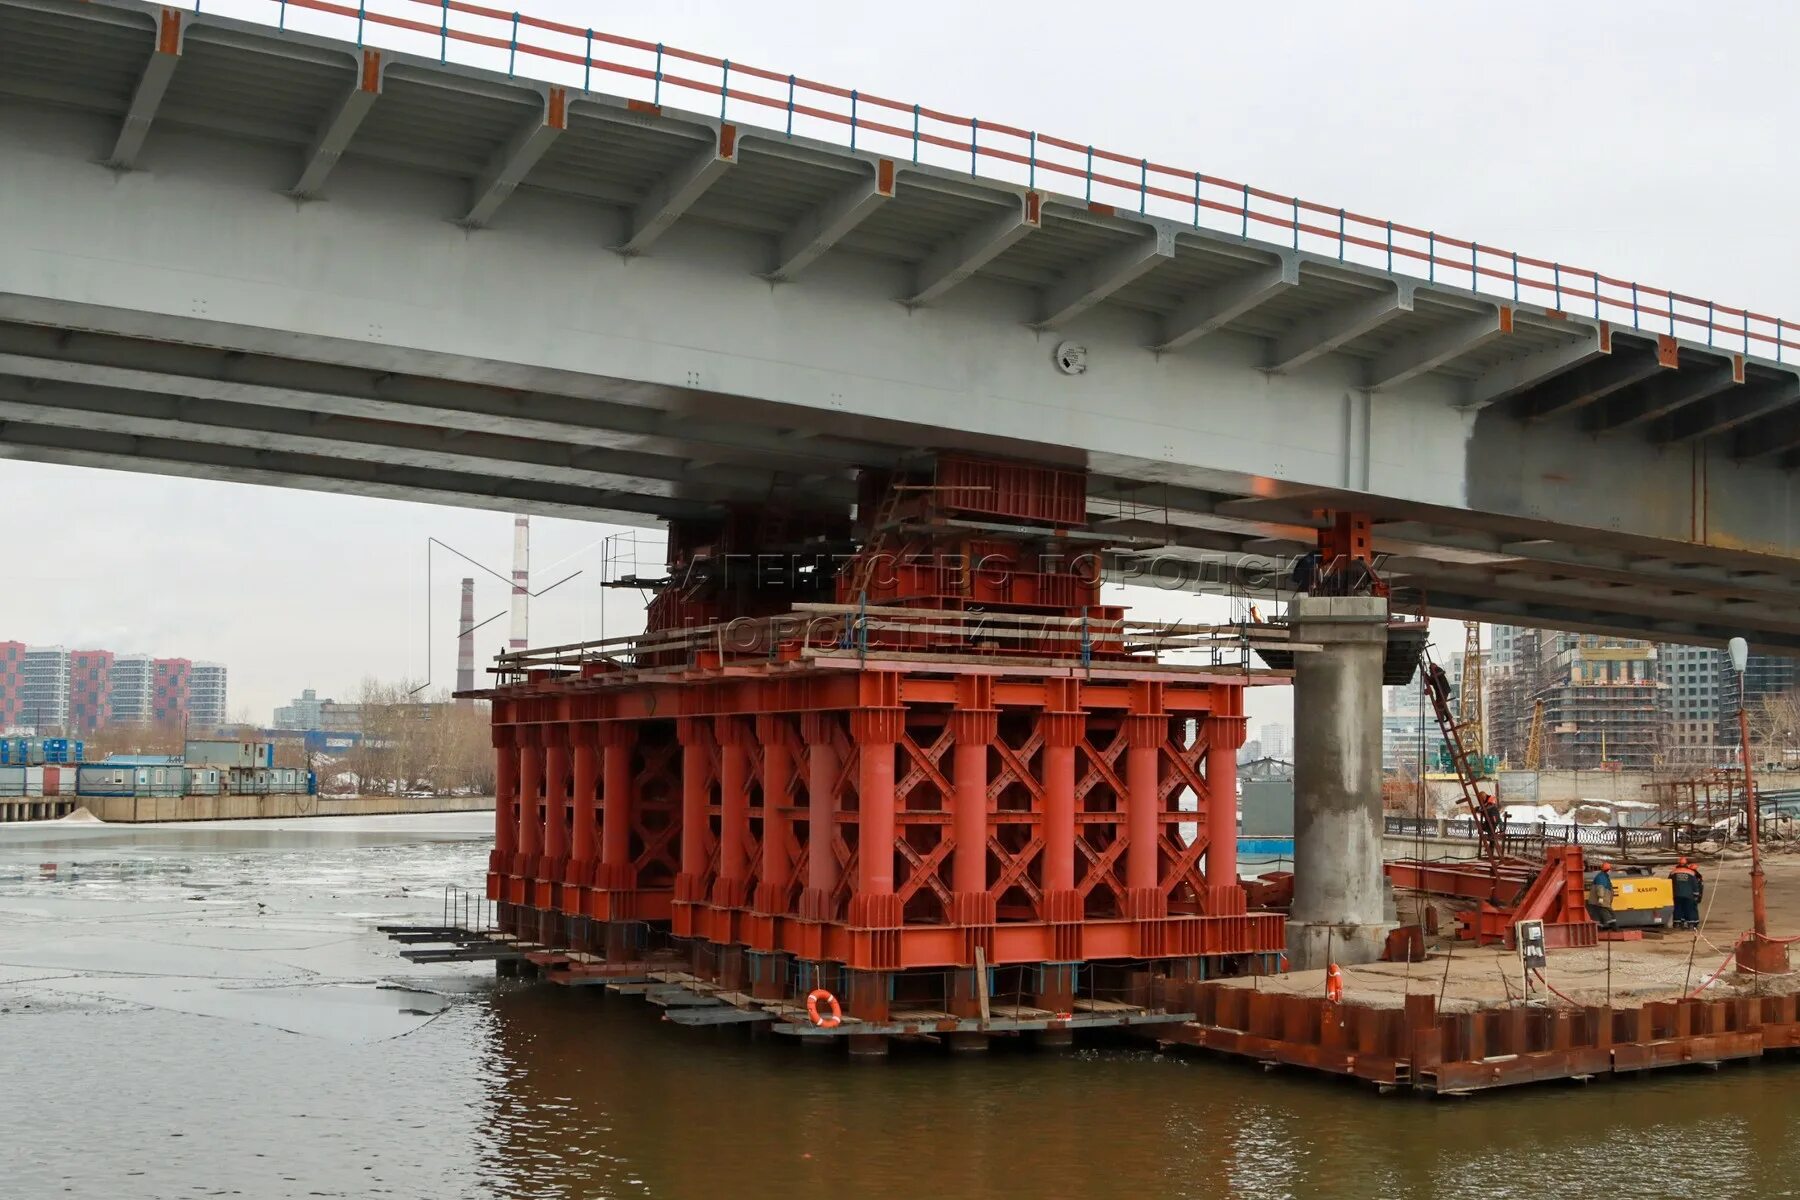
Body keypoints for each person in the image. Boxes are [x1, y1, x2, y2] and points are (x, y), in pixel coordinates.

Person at [1670, 856, 1704, 930]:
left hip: (1677, 894)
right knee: (1689, 908)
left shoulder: (1673, 872)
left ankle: (1677, 923)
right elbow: (1695, 885)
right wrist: (1696, 895)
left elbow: (1669, 883)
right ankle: (1691, 924)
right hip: (1689, 895)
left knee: (1677, 908)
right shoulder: (1691, 873)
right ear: (1686, 864)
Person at [1590, 860, 1616, 930]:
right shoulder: (1602, 877)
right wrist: (1601, 897)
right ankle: (1614, 927)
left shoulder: (1603, 876)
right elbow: (1600, 888)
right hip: (1601, 900)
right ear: (1608, 870)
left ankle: (1599, 929)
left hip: (1600, 900)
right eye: (1610, 870)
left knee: (1598, 915)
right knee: (1608, 913)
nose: (1611, 872)